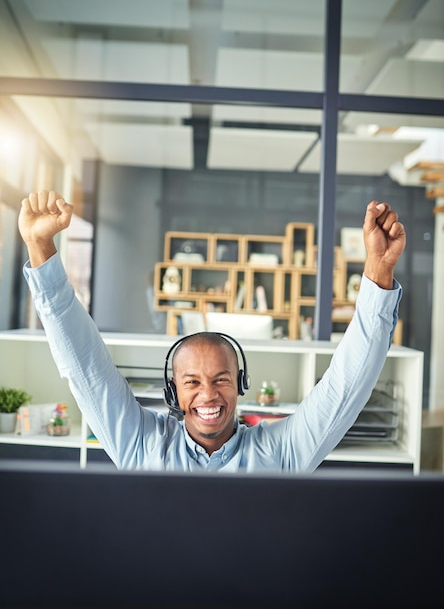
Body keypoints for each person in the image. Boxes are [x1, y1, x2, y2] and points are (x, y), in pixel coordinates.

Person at [18, 190, 405, 472]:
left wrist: (378, 272)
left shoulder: (282, 452)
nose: (208, 394)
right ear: (173, 390)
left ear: (240, 383)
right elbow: (86, 367)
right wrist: (40, 248)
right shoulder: (141, 444)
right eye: (191, 382)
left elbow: (345, 388)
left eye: (221, 379)